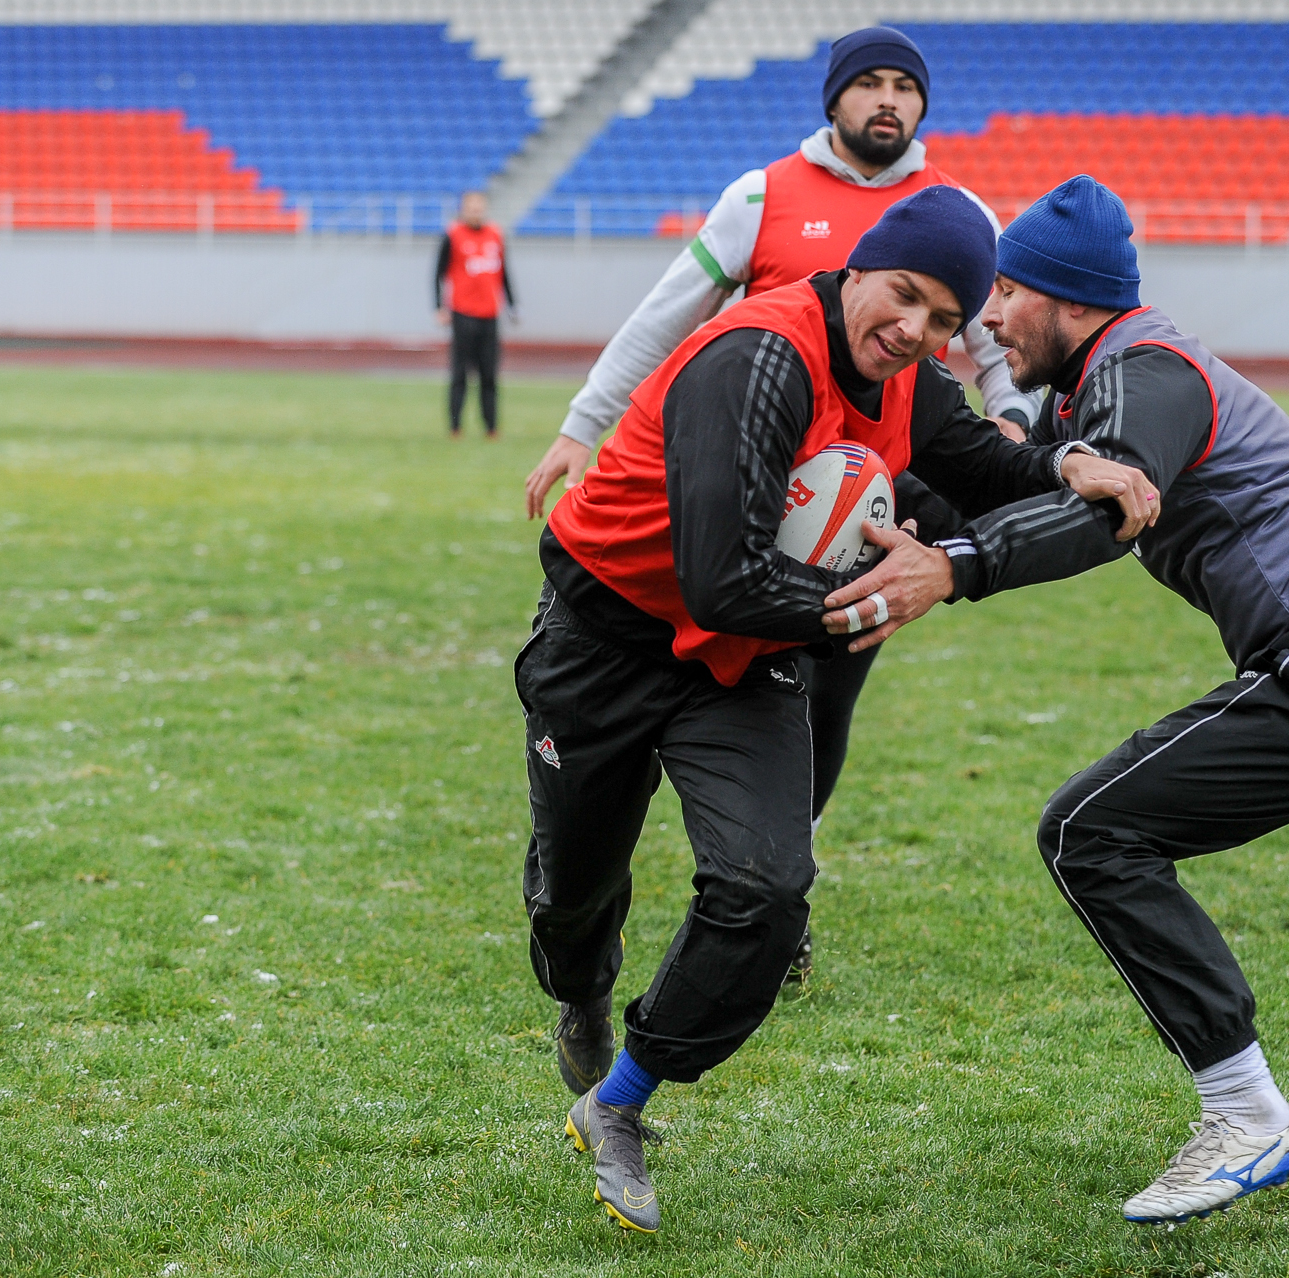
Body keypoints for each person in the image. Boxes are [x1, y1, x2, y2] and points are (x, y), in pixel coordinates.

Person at [821, 176, 1289, 1227]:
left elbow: (1108, 513)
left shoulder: (1148, 370)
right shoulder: (1102, 379)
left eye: (1007, 292)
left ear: (1070, 298)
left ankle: (1248, 1114)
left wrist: (952, 568)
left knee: (1090, 833)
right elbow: (1015, 480)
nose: (990, 318)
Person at [522, 186, 1157, 1233]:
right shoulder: (758, 358)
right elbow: (720, 581)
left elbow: (986, 464)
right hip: (606, 638)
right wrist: (884, 593)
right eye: (905, 297)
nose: (918, 331)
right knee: (573, 899)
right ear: (859, 267)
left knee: (769, 894)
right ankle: (581, 993)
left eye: (947, 320)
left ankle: (621, 1102)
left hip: (751, 654)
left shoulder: (907, 382)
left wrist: (1069, 462)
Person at [523, 27, 1036, 1029]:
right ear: (838, 98)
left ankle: (758, 896)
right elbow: (663, 316)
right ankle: (580, 967)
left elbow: (979, 392)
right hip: (652, 575)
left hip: (817, 527)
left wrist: (1062, 457)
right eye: (871, 84)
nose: (889, 102)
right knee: (578, 883)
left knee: (783, 825)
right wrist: (583, 423)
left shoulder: (949, 234)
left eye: (906, 87)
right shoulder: (763, 200)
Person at [434, 191, 516, 438]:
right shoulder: (453, 235)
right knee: (460, 373)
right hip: (462, 313)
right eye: (471, 207)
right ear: (463, 209)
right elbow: (437, 273)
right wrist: (439, 305)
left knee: (489, 374)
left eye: (479, 206)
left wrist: (512, 303)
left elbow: (505, 272)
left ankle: (491, 427)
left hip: (490, 313)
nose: (475, 211)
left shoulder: (496, 235)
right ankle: (455, 426)